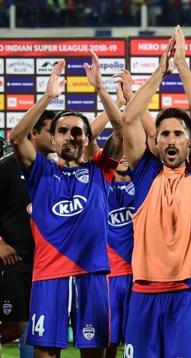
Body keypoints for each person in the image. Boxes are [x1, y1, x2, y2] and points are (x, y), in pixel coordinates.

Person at [9, 51, 123, 357]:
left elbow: (122, 130)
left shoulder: (100, 170)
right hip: (49, 277)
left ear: (87, 138)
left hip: (92, 274)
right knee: (45, 354)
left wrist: (101, 89)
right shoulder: (41, 171)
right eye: (62, 131)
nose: (70, 137)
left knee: (95, 354)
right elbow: (16, 137)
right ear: (53, 138)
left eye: (77, 132)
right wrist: (47, 97)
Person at [121, 26, 191, 357]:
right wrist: (159, 72)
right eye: (164, 134)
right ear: (156, 141)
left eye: (178, 133)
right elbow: (130, 118)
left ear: (190, 142)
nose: (171, 139)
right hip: (144, 294)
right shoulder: (146, 173)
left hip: (188, 295)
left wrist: (182, 66)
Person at [0, 110, 55, 357]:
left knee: (35, 329)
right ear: (33, 133)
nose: (56, 137)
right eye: (51, 131)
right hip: (12, 262)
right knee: (15, 326)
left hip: (45, 265)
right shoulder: (6, 166)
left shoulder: (54, 169)